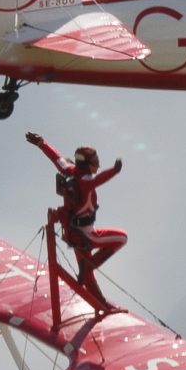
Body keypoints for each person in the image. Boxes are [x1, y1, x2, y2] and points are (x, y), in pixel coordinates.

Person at [26, 131, 126, 312]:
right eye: (96, 161)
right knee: (122, 238)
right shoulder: (86, 180)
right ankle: (88, 270)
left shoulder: (70, 171)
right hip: (88, 235)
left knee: (88, 280)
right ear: (89, 164)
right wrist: (115, 171)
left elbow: (57, 159)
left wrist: (41, 143)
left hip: (73, 235)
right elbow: (99, 179)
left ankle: (102, 305)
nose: (98, 164)